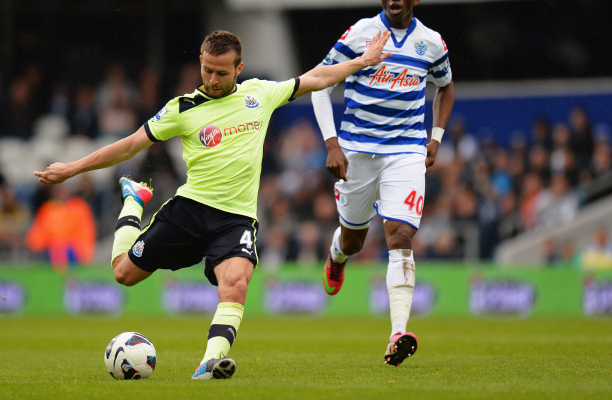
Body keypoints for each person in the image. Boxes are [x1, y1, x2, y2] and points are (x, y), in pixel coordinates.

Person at [34, 29, 391, 380]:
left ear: (239, 69)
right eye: (207, 70)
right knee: (123, 274)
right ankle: (134, 200)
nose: (213, 78)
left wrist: (363, 61)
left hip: (236, 220)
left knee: (235, 284)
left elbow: (315, 78)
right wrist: (73, 168)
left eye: (222, 72)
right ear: (200, 64)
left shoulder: (260, 94)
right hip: (189, 211)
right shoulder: (182, 109)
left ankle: (210, 362)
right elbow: (129, 145)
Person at [311, 0, 454, 367]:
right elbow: (318, 84)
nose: (394, 1)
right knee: (354, 239)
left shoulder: (432, 42)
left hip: (406, 152)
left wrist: (435, 137)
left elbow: (445, 87)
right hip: (356, 153)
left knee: (400, 235)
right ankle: (337, 255)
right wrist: (332, 143)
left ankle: (397, 333)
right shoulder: (360, 34)